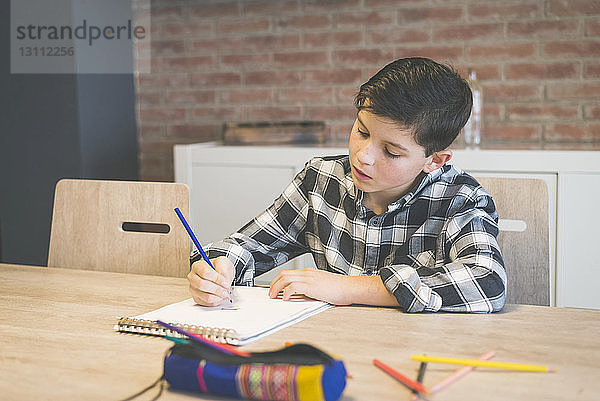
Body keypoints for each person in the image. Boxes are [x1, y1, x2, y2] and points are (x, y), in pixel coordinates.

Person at [188, 57, 507, 313]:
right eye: (362, 131)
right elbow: (247, 245)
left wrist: (348, 287)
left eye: (391, 151)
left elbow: (487, 282)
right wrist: (218, 268)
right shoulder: (321, 180)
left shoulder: (459, 198)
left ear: (434, 160)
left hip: (415, 353)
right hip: (333, 345)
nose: (363, 156)